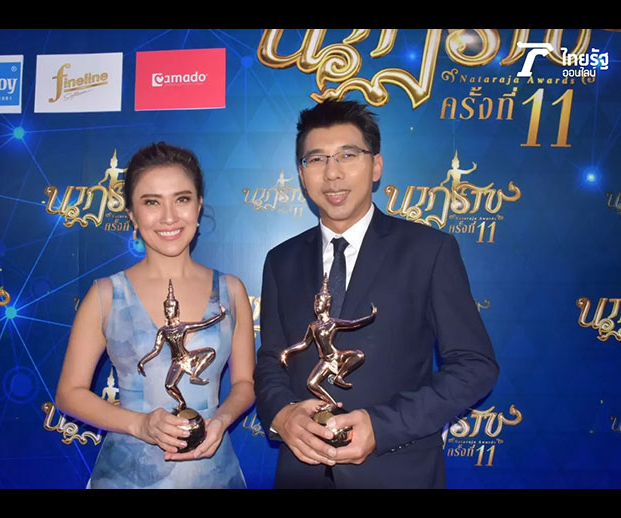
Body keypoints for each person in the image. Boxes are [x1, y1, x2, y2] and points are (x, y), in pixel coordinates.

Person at [254, 100, 499, 489]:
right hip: (301, 474)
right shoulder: (280, 260)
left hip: (399, 472)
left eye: (348, 155)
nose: (332, 173)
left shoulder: (429, 250)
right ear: (301, 175)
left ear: (376, 166)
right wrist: (282, 415)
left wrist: (382, 426)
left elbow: (474, 366)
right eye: (316, 159)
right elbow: (272, 359)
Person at [56, 142, 255, 489]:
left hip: (213, 474)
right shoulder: (106, 295)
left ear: (199, 206)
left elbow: (245, 384)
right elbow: (69, 393)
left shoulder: (231, 291)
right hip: (125, 477)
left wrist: (221, 420)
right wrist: (140, 424)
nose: (169, 217)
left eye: (182, 199)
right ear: (132, 215)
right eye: (151, 202)